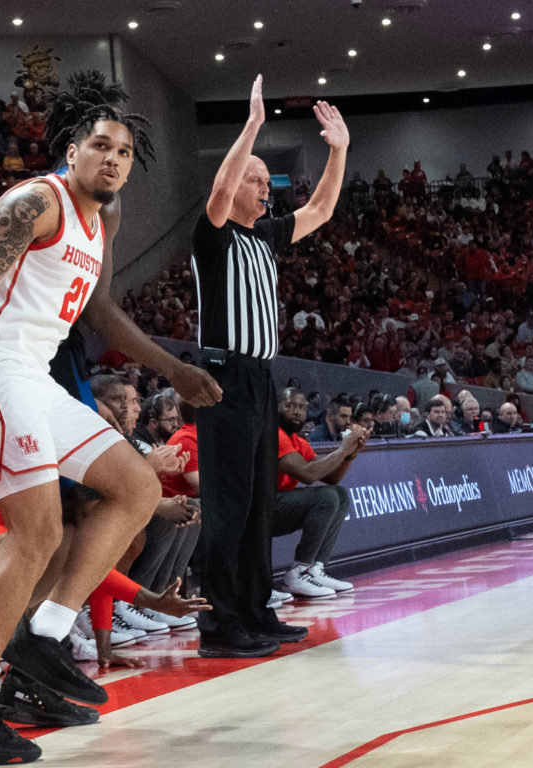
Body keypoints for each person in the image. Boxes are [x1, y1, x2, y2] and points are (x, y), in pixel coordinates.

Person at [0, 110, 220, 763]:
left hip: (30, 375)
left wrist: (173, 367)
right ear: (72, 150)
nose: (113, 159)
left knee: (136, 486)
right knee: (38, 533)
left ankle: (41, 635)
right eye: (101, 146)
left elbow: (101, 312)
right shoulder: (36, 200)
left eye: (123, 152)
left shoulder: (104, 220)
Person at [190, 75, 349, 658]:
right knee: (230, 503)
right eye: (256, 180)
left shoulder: (267, 238)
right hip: (224, 377)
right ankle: (220, 625)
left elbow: (323, 208)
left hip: (260, 378)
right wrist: (252, 125)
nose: (266, 189)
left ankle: (254, 610)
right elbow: (218, 187)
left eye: (266, 180)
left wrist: (339, 149)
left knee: (258, 501)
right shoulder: (213, 237)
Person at [275, 388, 367, 598]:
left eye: (301, 407)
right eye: (290, 406)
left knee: (339, 494)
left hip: (277, 506)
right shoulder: (275, 435)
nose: (297, 412)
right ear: (275, 408)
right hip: (258, 509)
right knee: (326, 497)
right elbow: (307, 475)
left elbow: (330, 478)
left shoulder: (298, 442)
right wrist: (343, 449)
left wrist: (351, 453)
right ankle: (299, 571)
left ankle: (315, 568)